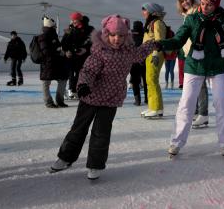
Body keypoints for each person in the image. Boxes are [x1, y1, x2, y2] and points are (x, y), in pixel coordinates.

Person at [50, 14, 158, 180]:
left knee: (101, 133)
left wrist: (155, 43)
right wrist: (83, 85)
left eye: (121, 36)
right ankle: (65, 157)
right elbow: (88, 71)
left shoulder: (128, 52)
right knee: (78, 129)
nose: (117, 39)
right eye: (113, 35)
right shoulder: (99, 51)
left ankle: (95, 164)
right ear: (106, 35)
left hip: (111, 99)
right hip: (90, 96)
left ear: (126, 36)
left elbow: (140, 52)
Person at [158, 0, 224, 157]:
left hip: (217, 66)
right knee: (186, 103)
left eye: (210, 4)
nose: (205, 7)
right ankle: (176, 141)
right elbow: (178, 40)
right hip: (195, 65)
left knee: (221, 102)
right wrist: (161, 43)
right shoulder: (192, 19)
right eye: (204, 2)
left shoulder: (222, 20)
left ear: (216, 5)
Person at [176, 0, 209, 128]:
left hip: (198, 51)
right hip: (189, 53)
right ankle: (195, 111)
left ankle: (203, 114)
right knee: (192, 84)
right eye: (182, 1)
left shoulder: (196, 11)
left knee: (200, 84)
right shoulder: (186, 15)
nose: (185, 2)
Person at [141, 3, 167, 118]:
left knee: (152, 80)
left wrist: (156, 54)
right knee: (149, 80)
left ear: (152, 11)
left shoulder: (157, 23)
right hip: (148, 54)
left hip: (155, 54)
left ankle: (157, 108)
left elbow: (159, 40)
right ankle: (153, 106)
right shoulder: (150, 23)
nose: (143, 12)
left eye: (145, 10)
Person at [38, 16, 69, 108]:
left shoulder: (53, 35)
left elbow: (57, 47)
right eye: (54, 26)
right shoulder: (43, 37)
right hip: (47, 64)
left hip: (57, 63)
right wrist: (58, 52)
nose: (55, 27)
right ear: (51, 27)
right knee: (46, 82)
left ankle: (59, 100)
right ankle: (49, 102)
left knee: (63, 80)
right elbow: (46, 52)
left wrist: (61, 51)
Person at [61, 12, 94, 99]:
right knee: (71, 74)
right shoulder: (70, 29)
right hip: (71, 56)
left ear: (80, 19)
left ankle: (77, 89)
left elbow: (94, 43)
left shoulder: (89, 29)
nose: (73, 21)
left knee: (81, 74)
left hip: (84, 57)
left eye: (75, 19)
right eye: (72, 20)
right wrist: (66, 51)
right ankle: (72, 90)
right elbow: (63, 43)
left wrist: (86, 49)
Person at [129, 20, 148, 106]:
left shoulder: (130, 36)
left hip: (134, 62)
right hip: (145, 61)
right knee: (146, 81)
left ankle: (137, 101)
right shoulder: (145, 35)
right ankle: (147, 99)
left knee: (135, 81)